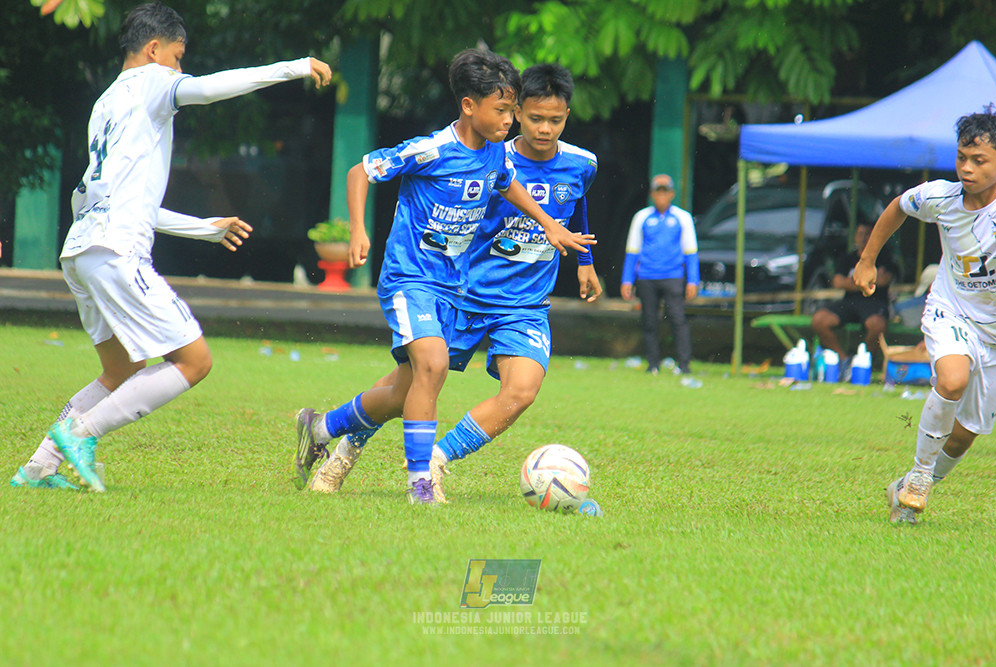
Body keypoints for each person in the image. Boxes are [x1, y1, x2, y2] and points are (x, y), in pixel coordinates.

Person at [9, 2, 332, 492]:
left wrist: (204, 228)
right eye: (178, 57)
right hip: (118, 251)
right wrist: (293, 67)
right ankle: (81, 433)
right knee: (194, 360)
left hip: (81, 250)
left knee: (121, 369)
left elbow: (121, 198)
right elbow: (212, 87)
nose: (181, 69)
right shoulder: (156, 83)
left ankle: (37, 469)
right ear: (155, 49)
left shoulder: (105, 105)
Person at [293, 49, 595, 505]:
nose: (531, 125)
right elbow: (363, 171)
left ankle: (402, 454)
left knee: (484, 390)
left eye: (549, 118)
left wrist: (562, 236)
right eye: (521, 114)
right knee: (418, 378)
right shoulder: (444, 148)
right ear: (474, 105)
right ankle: (351, 450)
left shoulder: (559, 161)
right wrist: (358, 229)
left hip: (516, 301)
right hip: (451, 286)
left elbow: (549, 196)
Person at [854, 107, 996, 524]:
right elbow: (898, 206)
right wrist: (867, 260)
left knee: (965, 436)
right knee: (952, 380)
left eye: (979, 160)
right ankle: (918, 478)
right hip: (950, 310)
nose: (966, 169)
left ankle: (904, 491)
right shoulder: (942, 197)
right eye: (961, 158)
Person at [619, 174, 700, 375]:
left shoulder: (682, 217)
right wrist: (627, 279)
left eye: (665, 191)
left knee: (677, 319)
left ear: (671, 194)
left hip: (673, 276)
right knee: (649, 321)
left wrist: (693, 280)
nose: (661, 195)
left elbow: (691, 251)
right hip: (647, 276)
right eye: (658, 191)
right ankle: (653, 364)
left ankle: (684, 364)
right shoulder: (642, 217)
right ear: (652, 194)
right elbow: (632, 250)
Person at [810, 221, 898, 379]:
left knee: (877, 325)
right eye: (860, 234)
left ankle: (864, 361)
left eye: (868, 235)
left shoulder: (884, 257)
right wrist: (868, 281)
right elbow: (837, 282)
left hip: (874, 302)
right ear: (855, 238)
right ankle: (844, 360)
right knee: (819, 319)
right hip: (849, 302)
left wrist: (853, 282)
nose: (864, 238)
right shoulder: (847, 258)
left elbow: (885, 280)